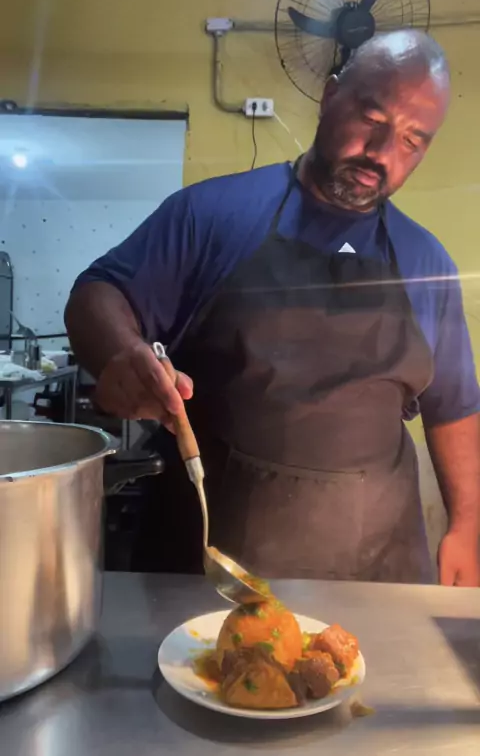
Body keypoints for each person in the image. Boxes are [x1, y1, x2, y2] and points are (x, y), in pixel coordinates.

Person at [65, 30, 480, 586]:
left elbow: (454, 407)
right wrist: (120, 353)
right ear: (330, 96)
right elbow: (97, 292)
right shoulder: (214, 215)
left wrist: (467, 525)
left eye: (411, 141)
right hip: (209, 569)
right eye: (372, 119)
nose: (382, 153)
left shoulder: (426, 262)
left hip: (375, 578)